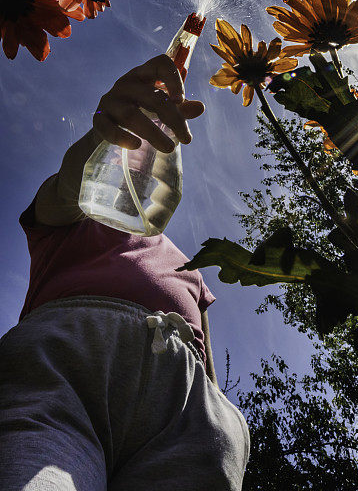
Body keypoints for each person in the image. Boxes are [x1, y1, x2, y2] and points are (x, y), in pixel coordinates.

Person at [0, 55, 250, 491]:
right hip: (65, 370)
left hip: (187, 412)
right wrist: (104, 132)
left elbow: (205, 366)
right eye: (125, 152)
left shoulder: (190, 269)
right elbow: (65, 188)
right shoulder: (72, 216)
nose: (142, 160)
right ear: (108, 165)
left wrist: (222, 416)